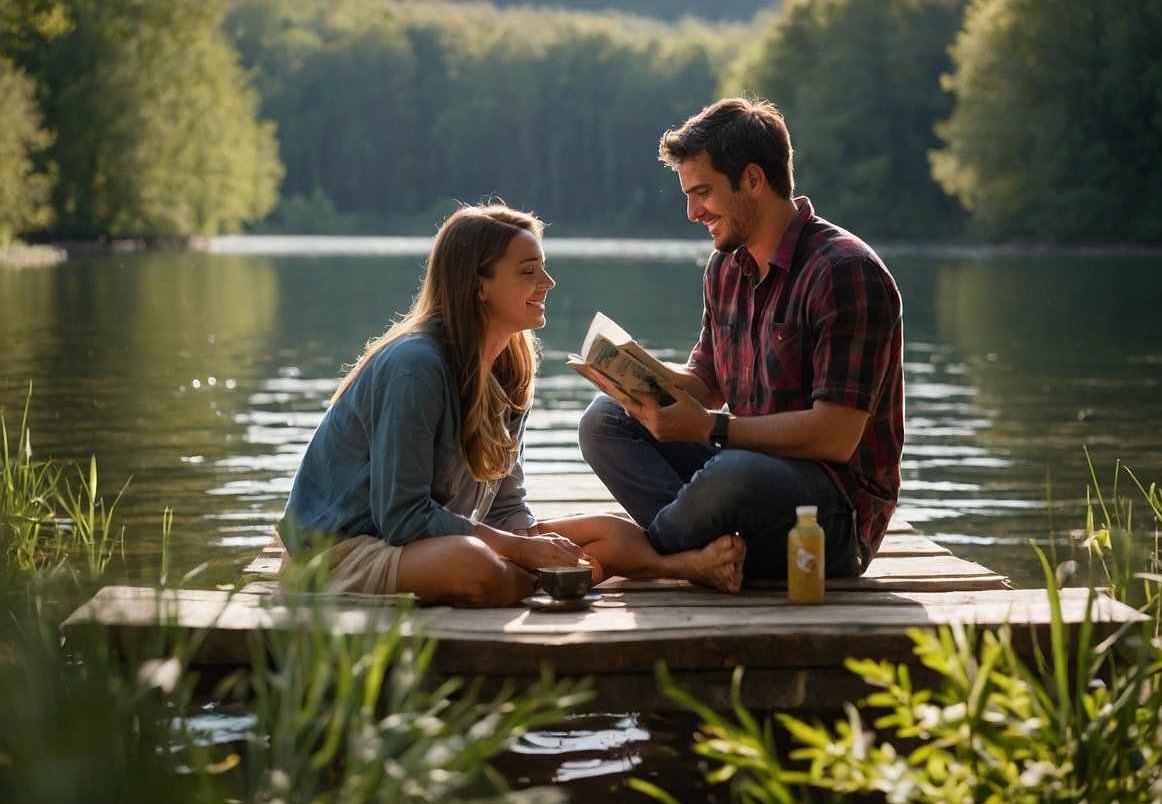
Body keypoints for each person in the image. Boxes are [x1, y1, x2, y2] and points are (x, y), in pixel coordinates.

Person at [279, 203, 745, 607]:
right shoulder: (415, 365)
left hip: (432, 542)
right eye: (528, 272)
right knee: (475, 564)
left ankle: (681, 566)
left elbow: (504, 505)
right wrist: (521, 552)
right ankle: (562, 578)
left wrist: (530, 542)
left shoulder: (509, 366)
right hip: (347, 549)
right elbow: (400, 517)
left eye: (542, 267)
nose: (548, 282)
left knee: (612, 531)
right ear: (478, 284)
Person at [578, 97, 904, 585]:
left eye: (702, 192)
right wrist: (633, 370)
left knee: (732, 475)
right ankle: (702, 553)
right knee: (604, 421)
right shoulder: (724, 268)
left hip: (832, 517)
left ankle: (655, 553)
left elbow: (836, 435)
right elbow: (706, 383)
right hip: (741, 468)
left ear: (752, 180)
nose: (692, 212)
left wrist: (713, 430)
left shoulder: (844, 271)